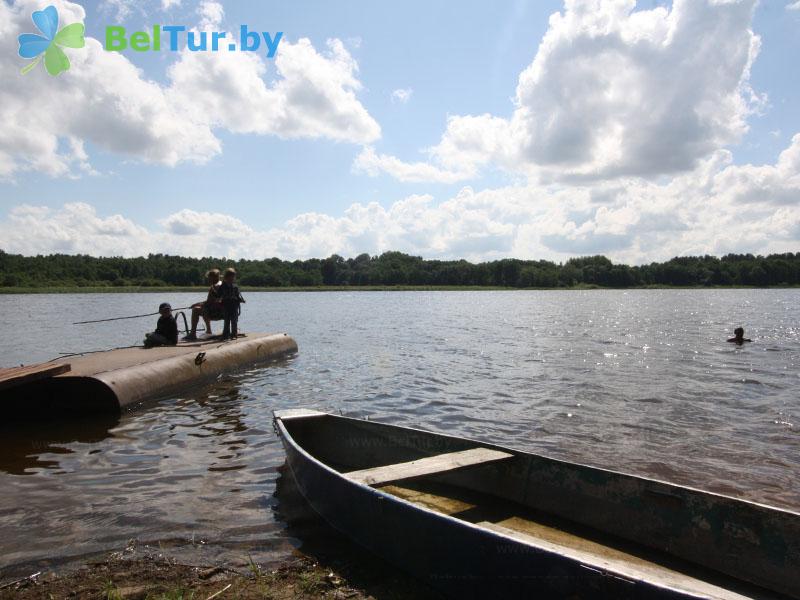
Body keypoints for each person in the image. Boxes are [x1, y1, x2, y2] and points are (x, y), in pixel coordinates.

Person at [185, 269, 223, 340]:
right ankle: (208, 330)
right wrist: (200, 304)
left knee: (196, 309)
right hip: (224, 312)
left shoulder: (214, 287)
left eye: (209, 278)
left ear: (213, 277)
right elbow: (211, 301)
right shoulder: (223, 284)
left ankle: (193, 334)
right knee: (204, 307)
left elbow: (209, 302)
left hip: (217, 312)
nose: (208, 279)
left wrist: (196, 304)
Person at [219, 267, 245, 340]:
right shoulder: (223, 286)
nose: (232, 278)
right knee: (226, 321)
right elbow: (218, 295)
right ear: (226, 277)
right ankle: (225, 335)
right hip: (226, 305)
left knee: (234, 321)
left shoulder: (235, 286)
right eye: (231, 277)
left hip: (234, 306)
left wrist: (241, 300)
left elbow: (238, 296)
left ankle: (234, 334)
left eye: (233, 277)